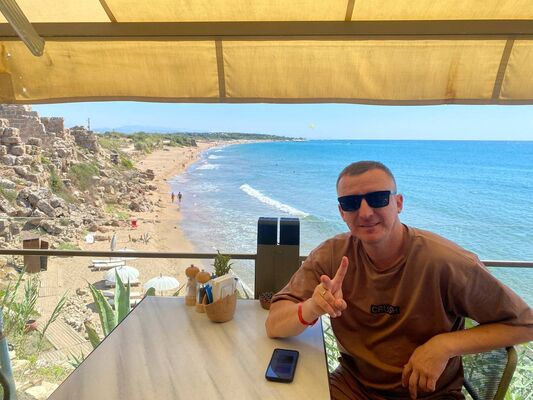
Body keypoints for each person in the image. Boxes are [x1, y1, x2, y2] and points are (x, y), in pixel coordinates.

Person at [265, 161, 533, 399]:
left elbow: (526, 325)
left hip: (430, 395)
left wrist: (445, 345)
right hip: (352, 387)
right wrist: (313, 307)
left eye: (378, 198)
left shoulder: (446, 262)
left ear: (399, 203)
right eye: (351, 203)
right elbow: (275, 324)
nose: (365, 212)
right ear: (341, 212)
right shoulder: (332, 256)